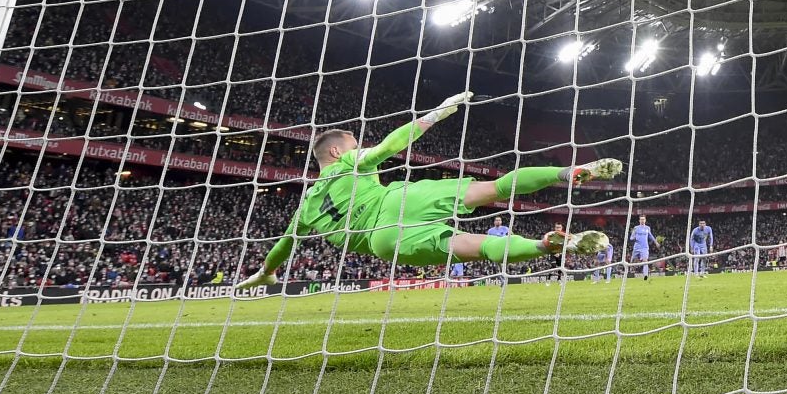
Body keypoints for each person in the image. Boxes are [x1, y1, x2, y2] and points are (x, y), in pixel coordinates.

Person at [234, 93, 615, 288]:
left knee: (475, 246)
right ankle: (569, 172)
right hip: (398, 199)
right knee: (495, 187)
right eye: (353, 143)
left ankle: (547, 245)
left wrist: (266, 273)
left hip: (384, 240)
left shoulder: (305, 209)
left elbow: (283, 246)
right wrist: (436, 114)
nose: (357, 147)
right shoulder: (348, 163)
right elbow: (387, 147)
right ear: (335, 152)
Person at [628, 215, 655, 280]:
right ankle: (629, 271)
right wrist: (634, 238)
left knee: (645, 261)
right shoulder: (636, 228)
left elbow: (651, 236)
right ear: (639, 220)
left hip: (645, 247)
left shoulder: (647, 228)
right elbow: (631, 237)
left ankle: (645, 275)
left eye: (643, 219)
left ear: (645, 220)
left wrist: (656, 242)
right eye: (641, 219)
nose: (642, 221)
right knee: (632, 261)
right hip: (636, 247)